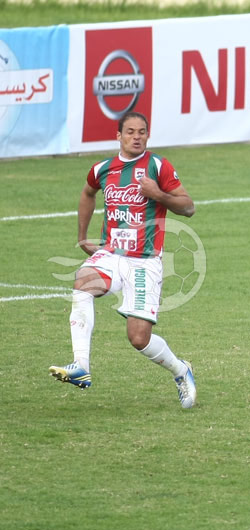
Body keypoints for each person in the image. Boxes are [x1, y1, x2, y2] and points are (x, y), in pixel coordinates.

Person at [49, 111, 198, 409]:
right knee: (82, 283)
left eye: (142, 131)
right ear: (118, 136)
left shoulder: (158, 166)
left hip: (144, 262)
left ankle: (181, 370)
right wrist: (82, 236)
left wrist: (158, 194)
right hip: (111, 254)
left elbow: (188, 207)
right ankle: (81, 364)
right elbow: (88, 193)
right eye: (130, 132)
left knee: (139, 339)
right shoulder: (103, 169)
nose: (137, 136)